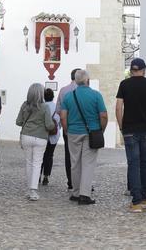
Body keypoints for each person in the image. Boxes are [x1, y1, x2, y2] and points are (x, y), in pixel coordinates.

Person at [115, 58, 146, 213]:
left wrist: (121, 126)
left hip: (129, 129)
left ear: (131, 70)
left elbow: (118, 107)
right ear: (144, 70)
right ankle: (145, 197)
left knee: (133, 164)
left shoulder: (124, 84)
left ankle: (136, 201)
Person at [60, 69, 107, 205]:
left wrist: (67, 130)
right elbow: (103, 115)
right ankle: (84, 194)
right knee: (88, 164)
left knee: (75, 163)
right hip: (91, 132)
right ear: (87, 80)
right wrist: (100, 130)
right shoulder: (96, 95)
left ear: (75, 80)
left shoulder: (69, 96)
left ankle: (75, 192)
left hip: (73, 132)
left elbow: (63, 116)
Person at [16, 82, 57, 201]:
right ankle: (33, 190)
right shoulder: (44, 107)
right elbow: (49, 125)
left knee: (29, 163)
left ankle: (29, 190)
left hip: (26, 136)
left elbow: (18, 122)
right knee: (37, 163)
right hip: (40, 137)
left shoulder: (24, 105)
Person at [56, 68, 81, 191]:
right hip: (82, 127)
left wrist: (64, 126)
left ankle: (71, 181)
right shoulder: (84, 91)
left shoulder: (63, 90)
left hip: (68, 127)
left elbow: (58, 110)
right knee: (82, 155)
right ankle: (81, 182)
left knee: (68, 154)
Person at [41, 88, 61, 186]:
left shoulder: (41, 106)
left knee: (40, 155)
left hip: (42, 134)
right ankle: (46, 176)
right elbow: (59, 122)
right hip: (53, 135)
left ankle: (38, 175)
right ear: (53, 97)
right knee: (49, 155)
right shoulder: (56, 107)